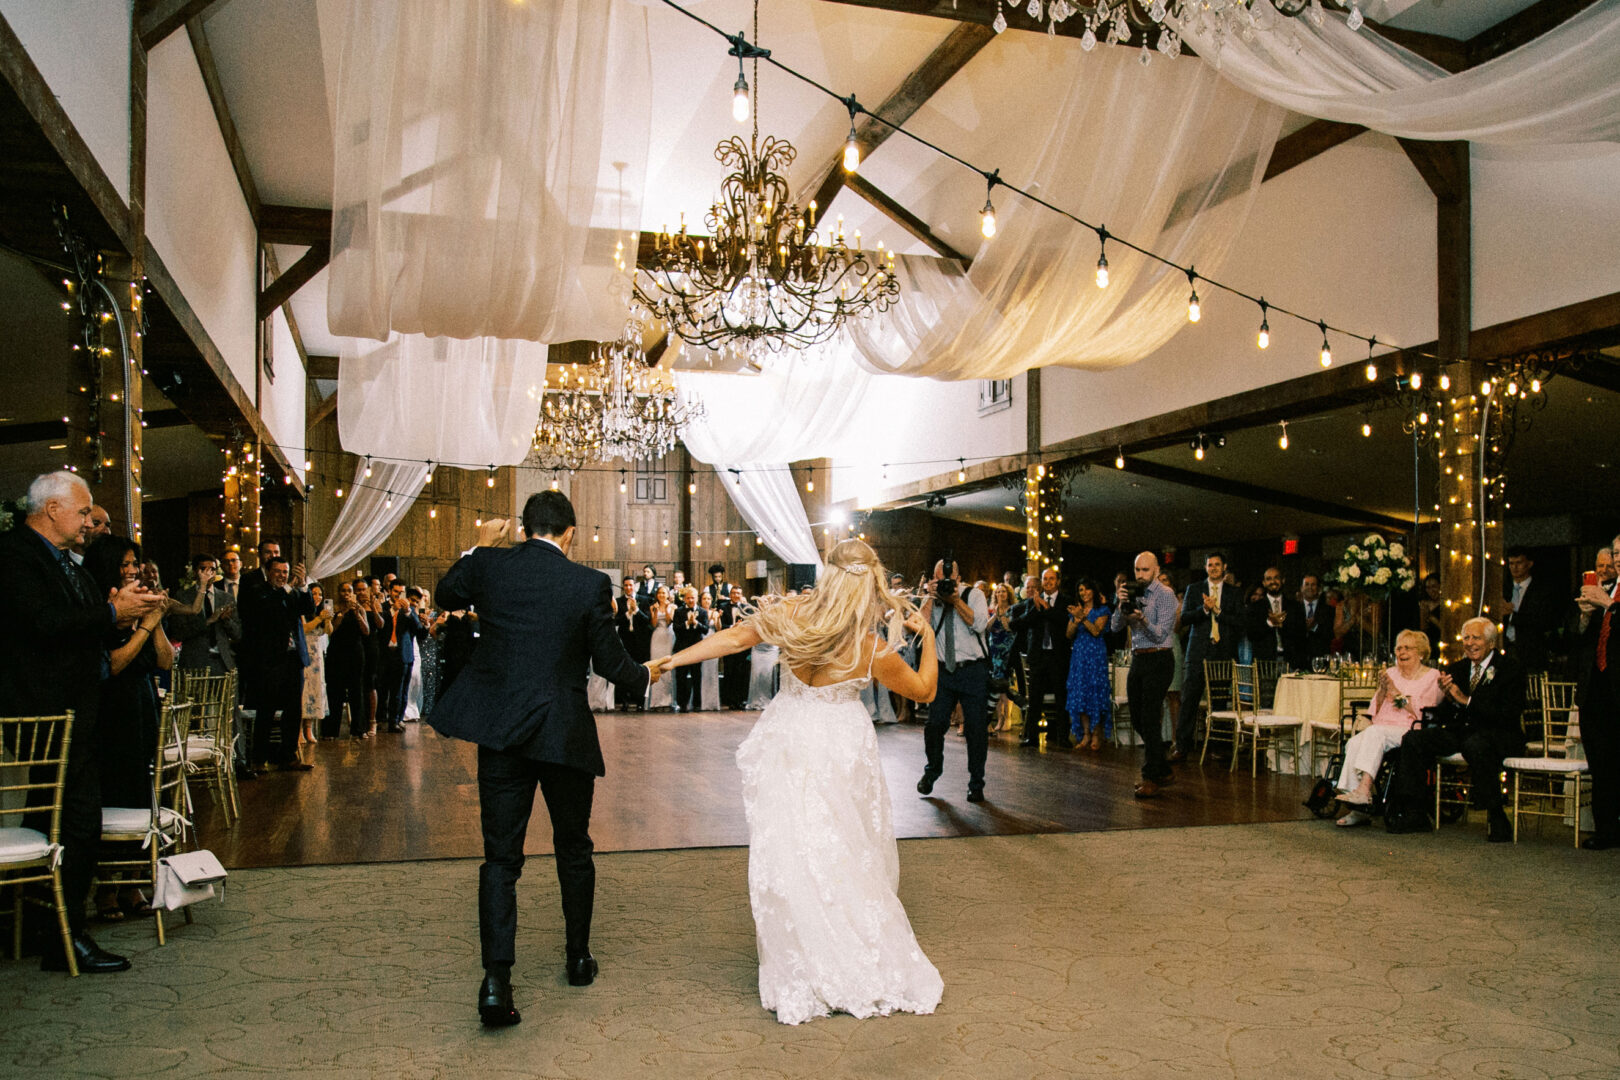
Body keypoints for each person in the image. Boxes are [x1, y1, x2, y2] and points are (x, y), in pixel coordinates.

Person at [653, 539, 943, 1024]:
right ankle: (841, 955)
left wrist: (670, 661)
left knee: (789, 848)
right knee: (844, 848)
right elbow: (926, 690)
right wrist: (928, 638)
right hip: (839, 744)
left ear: (828, 576)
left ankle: (801, 963)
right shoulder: (868, 648)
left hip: (789, 737)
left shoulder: (791, 615)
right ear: (868, 583)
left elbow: (730, 639)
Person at [431, 491, 653, 1027]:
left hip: (502, 733)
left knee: (500, 859)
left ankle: (495, 981)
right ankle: (577, 958)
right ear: (570, 533)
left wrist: (479, 546)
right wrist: (645, 675)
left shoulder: (488, 566)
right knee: (573, 847)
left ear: (525, 528)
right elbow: (609, 662)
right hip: (563, 734)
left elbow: (444, 595)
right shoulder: (587, 583)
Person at [0, 471, 165, 973]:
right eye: (82, 511)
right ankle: (65, 939)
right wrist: (112, 611)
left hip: (73, 709)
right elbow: (43, 625)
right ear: (51, 509)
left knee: (65, 822)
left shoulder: (64, 563)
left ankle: (48, 930)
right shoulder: (16, 556)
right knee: (72, 823)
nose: (89, 521)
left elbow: (75, 625)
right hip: (44, 709)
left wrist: (119, 613)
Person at [84, 534, 174, 919]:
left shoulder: (136, 612)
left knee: (140, 792)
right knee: (114, 795)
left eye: (134, 564)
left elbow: (166, 662)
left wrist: (153, 622)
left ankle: (130, 882)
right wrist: (140, 627)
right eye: (125, 565)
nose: (133, 570)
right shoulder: (99, 613)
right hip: (112, 713)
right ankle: (105, 891)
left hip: (142, 706)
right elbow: (114, 665)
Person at [1387, 617, 1526, 840]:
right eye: (1466, 638)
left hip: (1498, 732)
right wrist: (1447, 698)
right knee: (1414, 739)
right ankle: (1415, 811)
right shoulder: (1457, 669)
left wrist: (1465, 700)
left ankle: (1496, 813)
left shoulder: (1510, 668)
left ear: (1491, 643)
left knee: (1476, 745)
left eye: (1476, 638)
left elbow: (1508, 712)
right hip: (1461, 730)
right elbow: (1445, 711)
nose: (1470, 643)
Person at [1332, 630, 1443, 827]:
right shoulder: (1391, 673)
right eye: (1399, 648)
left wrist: (1396, 692)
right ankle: (1358, 808)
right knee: (1354, 742)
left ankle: (1365, 789)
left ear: (1421, 653)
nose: (1402, 652)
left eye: (1408, 648)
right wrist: (1383, 691)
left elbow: (1424, 712)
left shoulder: (1432, 676)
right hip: (1383, 727)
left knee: (1374, 733)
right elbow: (1374, 710)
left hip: (1411, 730)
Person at [917, 555, 992, 802]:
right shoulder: (932, 597)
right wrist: (929, 596)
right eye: (940, 580)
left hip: (972, 669)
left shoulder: (974, 595)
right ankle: (932, 770)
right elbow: (919, 627)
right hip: (943, 671)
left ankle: (976, 783)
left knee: (976, 728)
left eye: (949, 579)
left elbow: (980, 624)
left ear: (959, 578)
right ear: (933, 579)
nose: (945, 584)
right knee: (935, 724)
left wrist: (956, 600)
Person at [239, 555, 316, 771]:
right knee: (267, 709)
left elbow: (308, 608)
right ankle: (259, 758)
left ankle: (288, 756)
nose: (282, 576)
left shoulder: (292, 593)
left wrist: (302, 587)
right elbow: (267, 611)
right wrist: (289, 588)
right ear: (268, 572)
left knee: (293, 709)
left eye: (285, 572)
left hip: (293, 658)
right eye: (278, 572)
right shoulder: (259, 591)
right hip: (270, 660)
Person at [1111, 552, 1179, 798]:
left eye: (1145, 570)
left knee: (1150, 717)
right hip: (1138, 658)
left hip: (1160, 657)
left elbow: (1162, 634)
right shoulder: (1130, 591)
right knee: (1138, 717)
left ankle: (1151, 776)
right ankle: (1161, 767)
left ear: (1157, 570)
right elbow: (1114, 627)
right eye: (1137, 570)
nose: (1140, 575)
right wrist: (1121, 607)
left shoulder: (1166, 595)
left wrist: (1142, 620)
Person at [1576, 533, 1620, 849]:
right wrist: (1584, 616)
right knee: (1601, 763)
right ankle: (1606, 831)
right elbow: (1577, 640)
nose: (1617, 559)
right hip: (1597, 690)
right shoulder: (1606, 591)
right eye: (1616, 553)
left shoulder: (1610, 597)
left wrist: (1610, 607)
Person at [1176, 552, 1241, 762]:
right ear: (1205, 568)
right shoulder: (1194, 589)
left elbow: (1240, 621)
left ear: (1224, 568)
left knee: (1220, 701)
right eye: (1210, 565)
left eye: (1217, 564)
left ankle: (1217, 747)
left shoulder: (1234, 592)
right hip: (1197, 652)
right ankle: (1182, 747)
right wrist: (1204, 609)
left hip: (1222, 652)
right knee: (1189, 700)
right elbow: (1185, 618)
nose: (1213, 568)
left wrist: (1218, 611)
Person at [1010, 566, 1074, 750]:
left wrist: (1046, 609)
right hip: (1038, 656)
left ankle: (1062, 737)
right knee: (1035, 698)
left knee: (1061, 697)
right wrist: (1037, 609)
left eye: (1051, 579)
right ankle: (1031, 736)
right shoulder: (1032, 602)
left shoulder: (1065, 601)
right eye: (1045, 579)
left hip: (1058, 656)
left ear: (1058, 581)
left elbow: (1064, 622)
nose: (1048, 582)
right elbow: (1017, 624)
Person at [167, 553, 241, 677]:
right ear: (195, 572)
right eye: (203, 569)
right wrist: (208, 621)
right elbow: (179, 633)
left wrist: (226, 620)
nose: (208, 573)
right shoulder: (183, 596)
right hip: (194, 664)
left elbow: (238, 634)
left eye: (212, 569)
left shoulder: (225, 598)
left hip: (222, 663)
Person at [1065, 578, 1113, 750]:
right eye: (1080, 590)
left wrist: (1083, 618)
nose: (1083, 593)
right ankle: (1085, 734)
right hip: (1079, 656)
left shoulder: (1102, 610)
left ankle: (1096, 734)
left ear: (1093, 591)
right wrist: (1075, 620)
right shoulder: (1077, 611)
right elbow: (1068, 634)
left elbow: (1096, 631)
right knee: (1081, 694)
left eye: (1086, 589)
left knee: (1095, 694)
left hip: (1095, 656)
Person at [323, 581, 370, 739]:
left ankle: (358, 729)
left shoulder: (359, 609)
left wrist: (357, 614)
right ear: (338, 592)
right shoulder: (333, 609)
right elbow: (330, 631)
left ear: (353, 593)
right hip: (336, 653)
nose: (346, 594)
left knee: (357, 690)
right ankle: (331, 731)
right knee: (335, 691)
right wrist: (342, 613)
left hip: (355, 653)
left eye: (349, 591)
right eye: (343, 591)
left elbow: (366, 631)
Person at [379, 580, 427, 733]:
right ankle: (381, 719)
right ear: (390, 591)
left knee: (402, 690)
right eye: (396, 592)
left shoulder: (410, 610)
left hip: (404, 654)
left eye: (401, 593)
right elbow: (380, 626)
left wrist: (408, 613)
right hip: (385, 654)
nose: (399, 595)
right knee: (383, 689)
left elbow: (419, 631)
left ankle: (397, 720)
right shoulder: (384, 607)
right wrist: (393, 610)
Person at [1503, 547, 1560, 672]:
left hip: (1530, 651)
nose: (1514, 567)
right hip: (1505, 649)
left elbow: (1543, 620)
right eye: (1511, 563)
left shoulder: (1542, 590)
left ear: (1529, 564)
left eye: (1519, 563)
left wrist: (1512, 615)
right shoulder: (1504, 589)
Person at [301, 583, 332, 746]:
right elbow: (304, 628)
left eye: (320, 594)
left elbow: (328, 631)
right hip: (304, 651)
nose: (318, 597)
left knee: (316, 689)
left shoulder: (320, 612)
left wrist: (327, 620)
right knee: (304, 690)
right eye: (314, 593)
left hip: (318, 654)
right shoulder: (303, 612)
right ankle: (299, 730)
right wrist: (319, 618)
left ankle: (309, 728)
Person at [671, 585, 709, 712]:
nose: (691, 600)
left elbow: (706, 629)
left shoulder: (703, 612)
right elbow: (676, 629)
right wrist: (687, 623)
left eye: (693, 598)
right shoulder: (679, 611)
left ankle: (697, 704)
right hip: (682, 648)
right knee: (681, 676)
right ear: (684, 599)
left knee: (696, 676)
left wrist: (696, 623)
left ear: (696, 598)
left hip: (697, 649)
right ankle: (682, 704)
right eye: (688, 598)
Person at [986, 583, 1017, 732]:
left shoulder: (1012, 609)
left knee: (1005, 686)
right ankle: (999, 718)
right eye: (998, 592)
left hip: (1007, 651)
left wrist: (1002, 615)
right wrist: (995, 613)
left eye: (1003, 591)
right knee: (995, 685)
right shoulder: (993, 609)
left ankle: (1007, 718)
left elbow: (1008, 628)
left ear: (1008, 594)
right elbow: (987, 627)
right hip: (994, 651)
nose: (1001, 594)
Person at [720, 584, 751, 709]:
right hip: (728, 643)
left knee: (741, 673)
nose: (736, 595)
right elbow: (720, 625)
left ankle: (740, 700)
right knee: (729, 672)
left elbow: (750, 625)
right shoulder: (723, 607)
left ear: (741, 595)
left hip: (742, 645)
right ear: (730, 595)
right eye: (734, 593)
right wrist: (732, 627)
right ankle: (730, 701)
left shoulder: (747, 608)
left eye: (738, 593)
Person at [647, 586, 676, 709]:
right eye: (659, 593)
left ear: (668, 594)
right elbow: (653, 624)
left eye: (664, 593)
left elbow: (670, 622)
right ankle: (656, 701)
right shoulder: (653, 606)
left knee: (667, 666)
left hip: (668, 635)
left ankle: (668, 700)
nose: (661, 595)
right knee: (656, 665)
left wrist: (667, 608)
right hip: (657, 635)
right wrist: (655, 610)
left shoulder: (673, 606)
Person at [697, 590, 722, 710]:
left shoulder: (715, 612)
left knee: (712, 672)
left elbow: (719, 628)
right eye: (704, 599)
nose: (706, 601)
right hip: (701, 640)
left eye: (708, 599)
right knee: (702, 671)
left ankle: (712, 703)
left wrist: (717, 618)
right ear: (700, 601)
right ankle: (701, 702)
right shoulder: (698, 612)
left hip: (713, 641)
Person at [1418, 573, 1444, 658]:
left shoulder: (1445, 604)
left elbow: (1445, 629)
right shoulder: (1424, 604)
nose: (1431, 590)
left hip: (1441, 640)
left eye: (1434, 586)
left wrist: (1432, 618)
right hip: (1428, 641)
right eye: (1428, 588)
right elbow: (1423, 628)